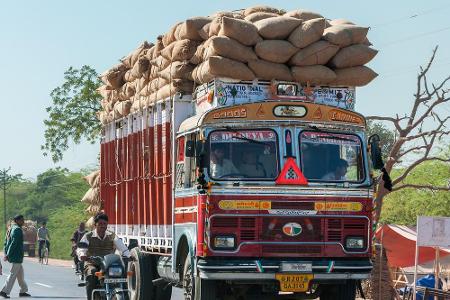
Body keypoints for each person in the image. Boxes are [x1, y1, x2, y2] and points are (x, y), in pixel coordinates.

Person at [78, 213, 130, 300]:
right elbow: (81, 249)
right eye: (100, 224)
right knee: (92, 273)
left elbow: (122, 247)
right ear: (95, 225)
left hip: (108, 263)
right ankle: (90, 297)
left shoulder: (111, 235)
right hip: (92, 262)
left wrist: (129, 255)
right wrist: (82, 255)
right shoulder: (88, 236)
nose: (103, 226)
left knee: (122, 274)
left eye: (105, 224)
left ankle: (125, 295)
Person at [0, 215, 31, 298]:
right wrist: (8, 254)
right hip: (16, 255)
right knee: (13, 274)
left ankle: (23, 290)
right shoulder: (17, 230)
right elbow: (13, 243)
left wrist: (6, 252)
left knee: (20, 274)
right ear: (17, 221)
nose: (23, 221)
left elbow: (6, 242)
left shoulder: (11, 228)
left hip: (16, 255)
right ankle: (4, 291)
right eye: (22, 220)